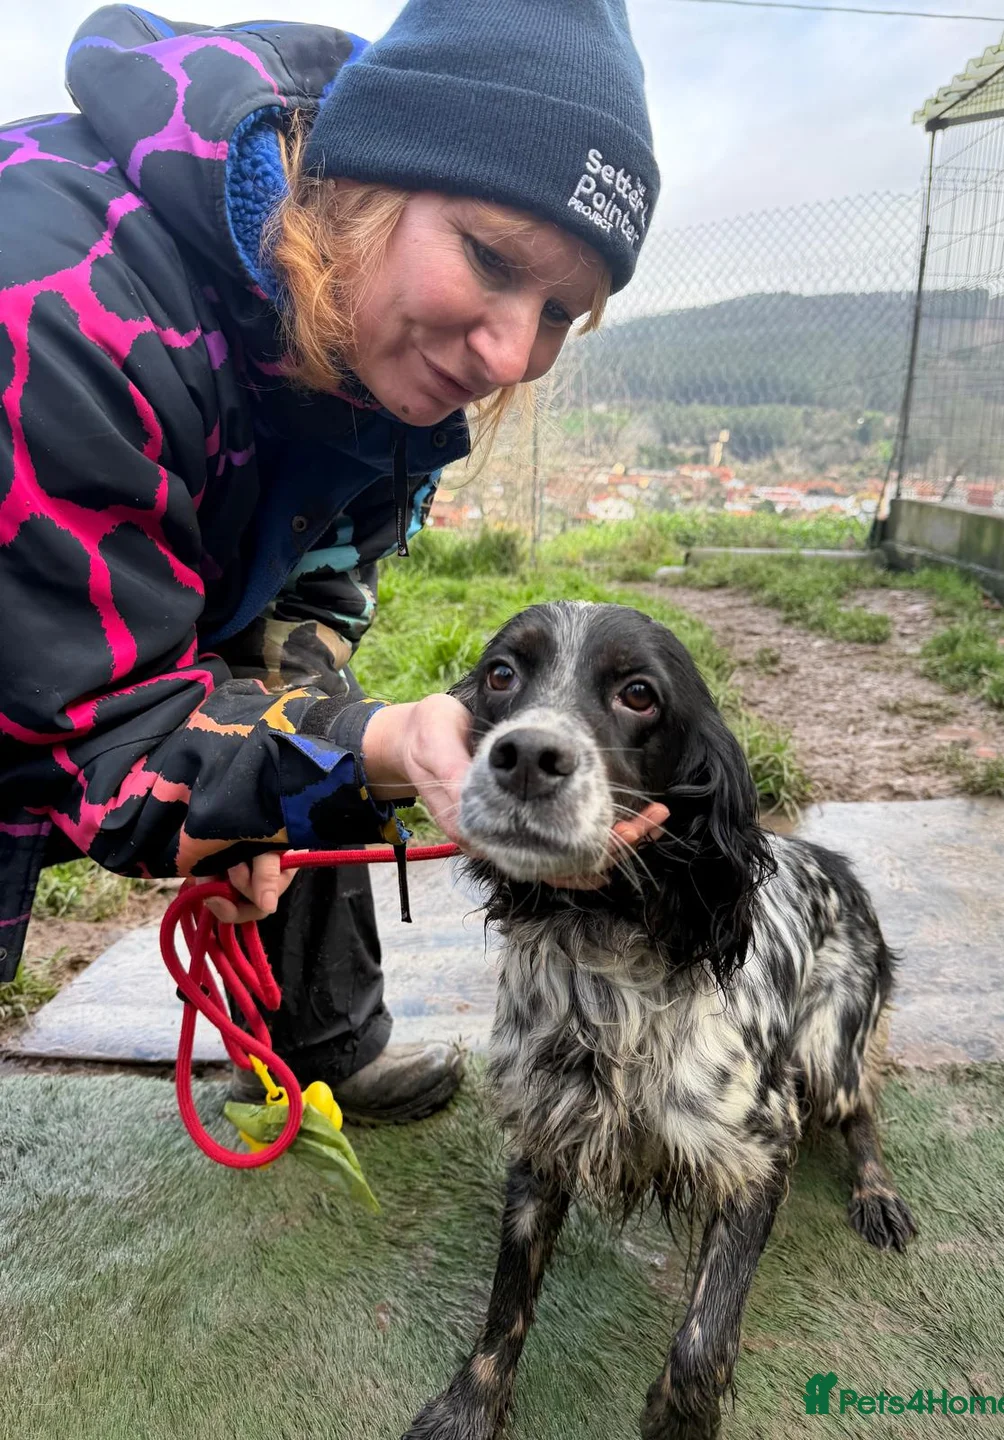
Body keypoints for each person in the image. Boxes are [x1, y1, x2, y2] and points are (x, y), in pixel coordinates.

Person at [0, 0, 665, 1122]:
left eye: (560, 310)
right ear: (367, 182)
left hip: (114, 620)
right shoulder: (56, 305)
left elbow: (317, 588)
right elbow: (90, 741)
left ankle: (323, 1047)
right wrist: (349, 753)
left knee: (319, 725)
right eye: (491, 258)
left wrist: (292, 770)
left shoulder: (382, 338)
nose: (512, 352)